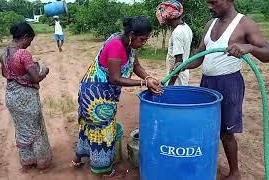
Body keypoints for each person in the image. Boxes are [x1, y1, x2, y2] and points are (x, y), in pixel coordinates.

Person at [175, 0, 269, 179]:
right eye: (208, 2)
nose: (209, 6)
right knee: (207, 127)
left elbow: (267, 53)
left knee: (226, 132)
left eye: (214, 2)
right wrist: (184, 65)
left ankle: (235, 172)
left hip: (229, 83)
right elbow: (200, 55)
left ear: (229, 1)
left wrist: (248, 47)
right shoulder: (210, 24)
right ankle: (205, 163)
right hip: (207, 83)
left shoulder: (244, 24)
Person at [71, 16, 162, 177]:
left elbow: (135, 65)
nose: (143, 43)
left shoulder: (129, 44)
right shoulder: (115, 45)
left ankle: (77, 159)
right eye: (142, 39)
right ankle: (104, 170)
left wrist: (148, 77)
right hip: (96, 95)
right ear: (132, 34)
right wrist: (143, 84)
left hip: (103, 93)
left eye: (146, 40)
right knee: (102, 130)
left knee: (89, 127)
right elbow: (115, 78)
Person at [0, 22, 52, 171]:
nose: (29, 44)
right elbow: (36, 78)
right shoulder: (23, 54)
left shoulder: (4, 53)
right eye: (30, 40)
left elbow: (5, 74)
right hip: (26, 98)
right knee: (36, 129)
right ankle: (42, 162)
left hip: (11, 96)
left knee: (21, 129)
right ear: (24, 37)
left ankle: (27, 161)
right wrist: (45, 70)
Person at [156, 0, 193, 86]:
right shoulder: (186, 28)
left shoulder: (177, 33)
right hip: (183, 75)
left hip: (176, 79)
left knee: (173, 98)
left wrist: (170, 84)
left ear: (168, 17)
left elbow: (178, 63)